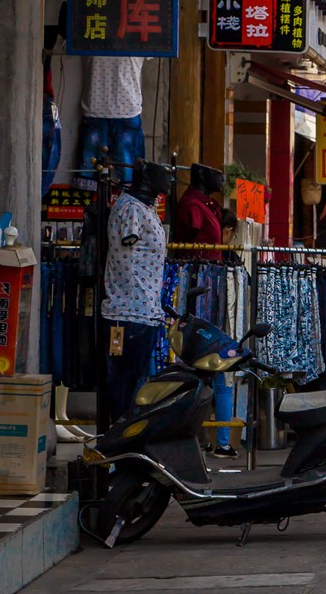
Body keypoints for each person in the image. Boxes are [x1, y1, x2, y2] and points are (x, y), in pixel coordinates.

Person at [100, 160, 173, 430]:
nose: (168, 180)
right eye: (163, 175)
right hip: (128, 313)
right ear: (146, 179)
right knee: (124, 390)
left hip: (144, 313)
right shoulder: (131, 209)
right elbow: (127, 247)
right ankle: (117, 450)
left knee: (134, 388)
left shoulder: (144, 208)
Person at [173, 164, 239, 457]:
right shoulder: (192, 206)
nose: (221, 178)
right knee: (198, 367)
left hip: (212, 288)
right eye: (215, 173)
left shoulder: (208, 206)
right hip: (195, 289)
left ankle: (223, 440)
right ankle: (190, 438)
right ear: (201, 177)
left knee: (221, 365)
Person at [173, 163, 226, 246]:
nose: (222, 179)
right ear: (201, 174)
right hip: (198, 258)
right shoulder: (193, 205)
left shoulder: (206, 204)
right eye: (217, 174)